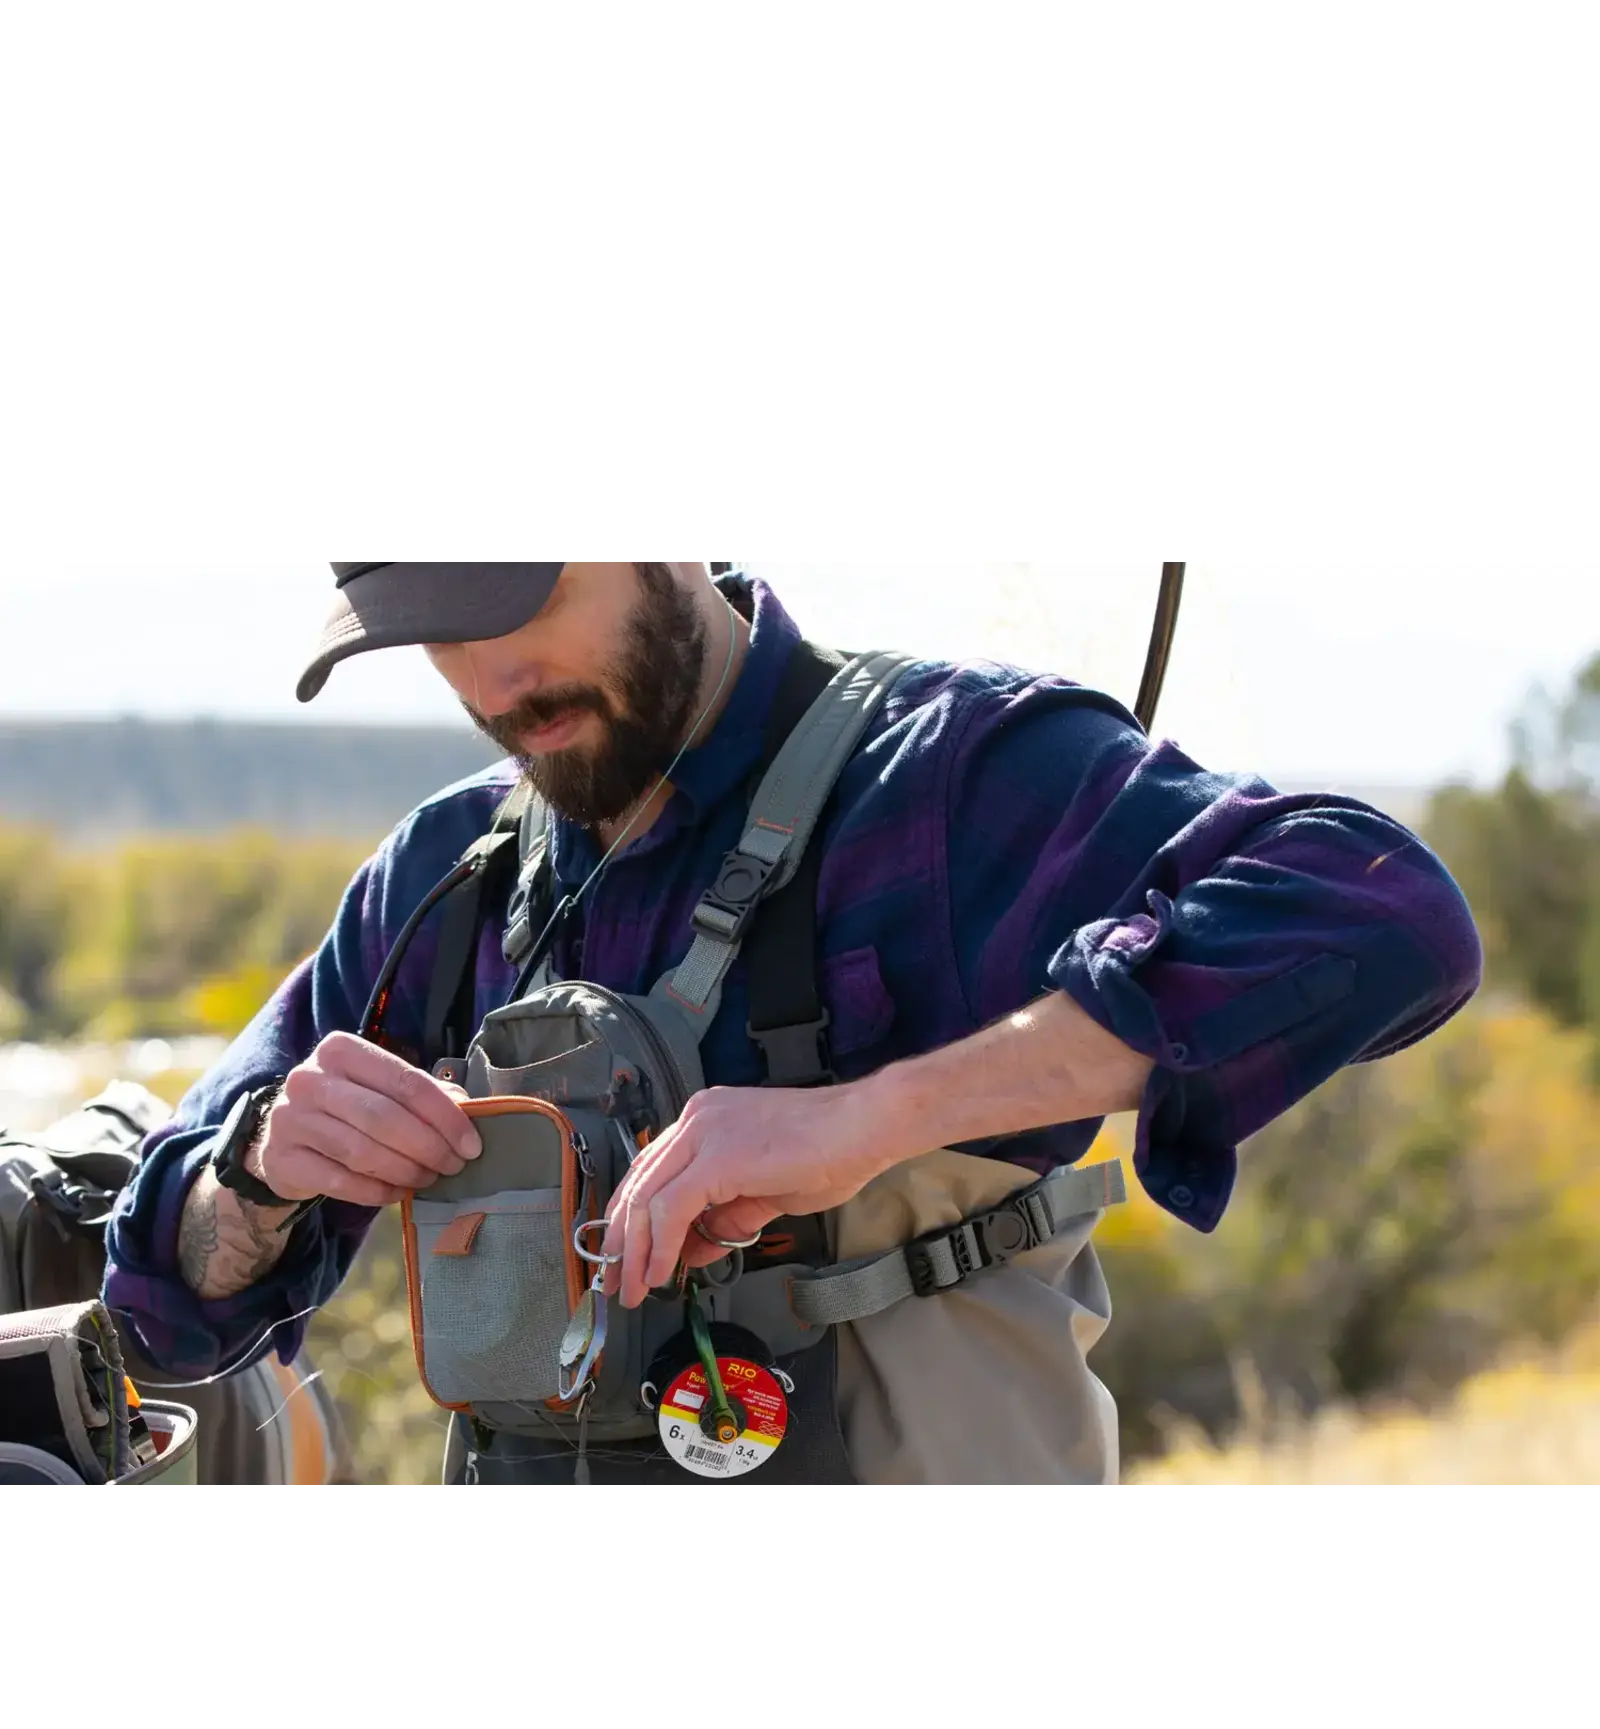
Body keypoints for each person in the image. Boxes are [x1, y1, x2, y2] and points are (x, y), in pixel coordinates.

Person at [101, 560, 1484, 1486]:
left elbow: (1381, 918)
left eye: (515, 592)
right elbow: (162, 1305)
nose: (490, 679)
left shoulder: (947, 777)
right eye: (432, 627)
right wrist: (260, 1178)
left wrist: (875, 1117)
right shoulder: (448, 878)